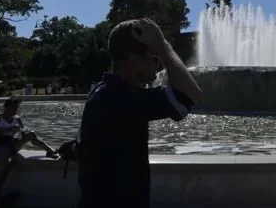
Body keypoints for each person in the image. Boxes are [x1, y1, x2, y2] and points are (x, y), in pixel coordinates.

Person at [76, 18, 203, 208]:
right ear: (132, 58)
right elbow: (190, 94)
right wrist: (162, 44)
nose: (159, 62)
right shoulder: (119, 98)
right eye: (153, 56)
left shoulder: (104, 91)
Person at [0, 97, 58, 204]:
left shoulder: (17, 119)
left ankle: (50, 150)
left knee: (30, 134)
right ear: (6, 107)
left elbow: (21, 133)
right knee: (8, 161)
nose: (15, 110)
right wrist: (7, 130)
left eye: (17, 108)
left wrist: (21, 133)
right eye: (13, 107)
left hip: (9, 144)